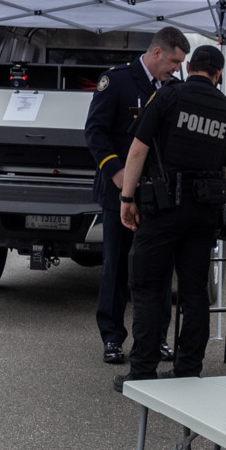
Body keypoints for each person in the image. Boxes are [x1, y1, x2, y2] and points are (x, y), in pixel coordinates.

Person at [114, 43, 226, 390]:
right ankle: (188, 370)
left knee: (146, 285)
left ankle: (142, 370)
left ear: (189, 67)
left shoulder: (168, 97)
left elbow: (138, 150)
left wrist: (127, 197)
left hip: (162, 208)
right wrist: (217, 195)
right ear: (218, 74)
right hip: (203, 214)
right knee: (194, 292)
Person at [84, 25, 187, 364]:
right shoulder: (118, 81)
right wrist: (117, 175)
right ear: (156, 52)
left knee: (158, 270)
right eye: (173, 60)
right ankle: (112, 338)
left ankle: (156, 338)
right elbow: (95, 133)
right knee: (116, 268)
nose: (176, 68)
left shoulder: (174, 88)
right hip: (119, 193)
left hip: (159, 196)